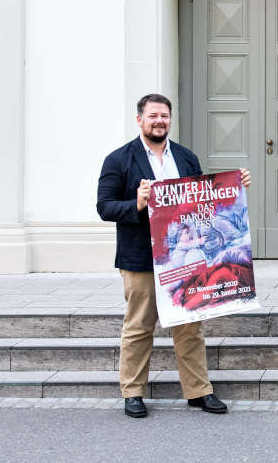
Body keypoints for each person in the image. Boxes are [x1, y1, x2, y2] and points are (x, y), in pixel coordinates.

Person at [96, 93, 252, 418]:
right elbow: (105, 207)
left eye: (164, 116)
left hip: (186, 258)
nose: (159, 121)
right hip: (140, 258)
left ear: (170, 119)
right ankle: (133, 392)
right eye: (153, 116)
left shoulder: (185, 157)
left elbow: (202, 202)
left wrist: (234, 187)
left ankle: (198, 392)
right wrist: (137, 204)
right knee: (139, 325)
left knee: (190, 324)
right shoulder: (118, 160)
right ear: (139, 119)